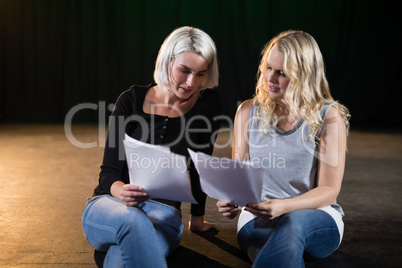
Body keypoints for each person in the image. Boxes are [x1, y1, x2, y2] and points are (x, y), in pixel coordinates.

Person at [82, 26, 221, 267]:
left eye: (200, 74)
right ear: (168, 61)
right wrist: (120, 190)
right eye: (184, 71)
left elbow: (200, 168)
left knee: (119, 259)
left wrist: (197, 218)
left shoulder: (207, 106)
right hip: (109, 206)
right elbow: (109, 172)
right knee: (133, 221)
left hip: (164, 215)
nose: (191, 82)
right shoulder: (131, 99)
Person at [217, 30, 350, 267]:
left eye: (282, 73)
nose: (270, 78)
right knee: (279, 249)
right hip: (257, 218)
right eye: (268, 68)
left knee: (292, 225)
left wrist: (284, 207)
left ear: (305, 75)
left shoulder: (329, 116)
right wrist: (232, 199)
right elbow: (240, 178)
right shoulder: (247, 111)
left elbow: (329, 190)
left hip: (315, 216)